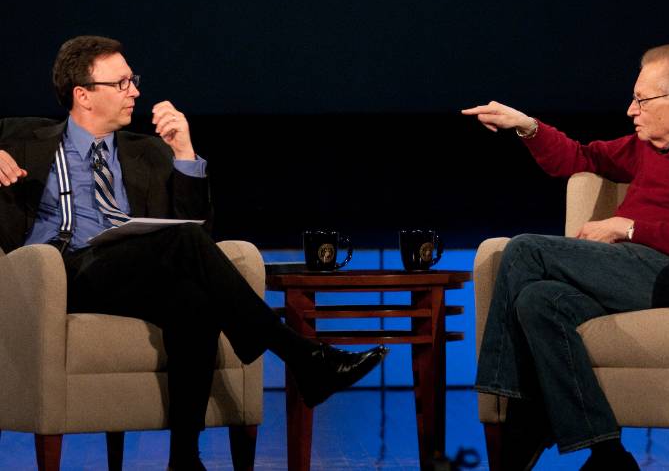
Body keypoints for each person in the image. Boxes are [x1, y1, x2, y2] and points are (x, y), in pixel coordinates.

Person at [0, 35, 388, 470]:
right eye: (123, 83)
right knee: (184, 252)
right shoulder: (21, 137)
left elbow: (199, 235)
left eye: (134, 80)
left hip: (127, 271)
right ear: (83, 95)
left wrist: (184, 153)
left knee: (195, 300)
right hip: (55, 273)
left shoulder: (146, 152)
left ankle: (184, 457)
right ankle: (302, 356)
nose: (136, 92)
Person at [462, 43, 669, 470]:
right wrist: (527, 125)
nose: (632, 110)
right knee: (538, 301)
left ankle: (518, 412)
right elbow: (580, 157)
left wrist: (628, 227)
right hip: (623, 273)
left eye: (641, 99)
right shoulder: (645, 146)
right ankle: (607, 453)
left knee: (525, 250)